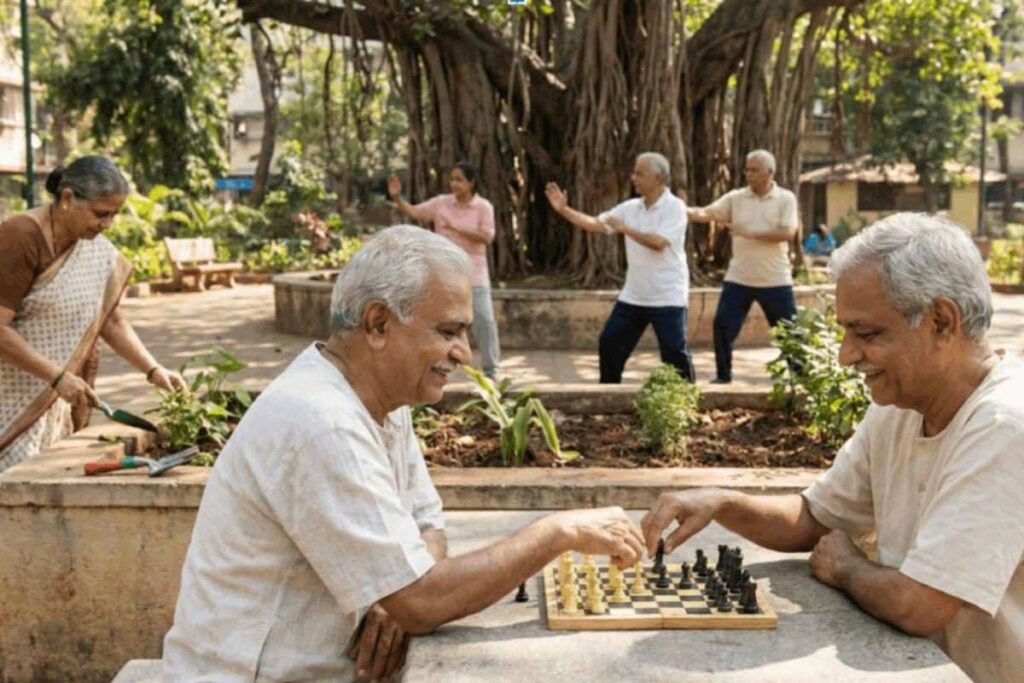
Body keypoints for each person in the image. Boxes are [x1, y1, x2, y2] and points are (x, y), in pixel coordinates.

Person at [162, 225, 644, 682]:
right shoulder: (321, 422)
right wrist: (556, 532)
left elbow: (426, 524)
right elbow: (421, 601)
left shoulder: (382, 400)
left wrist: (394, 592)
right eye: (449, 331)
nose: (464, 353)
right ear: (378, 324)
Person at [641, 213, 1023, 683]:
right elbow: (815, 518)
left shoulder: (1006, 423)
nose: (846, 355)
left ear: (941, 321)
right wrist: (721, 502)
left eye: (867, 333)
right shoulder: (901, 405)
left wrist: (846, 567)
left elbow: (920, 604)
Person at [0, 156, 186, 472]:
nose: (107, 224)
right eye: (101, 214)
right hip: (10, 394)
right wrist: (57, 376)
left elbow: (110, 319)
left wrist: (153, 370)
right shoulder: (20, 237)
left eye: (114, 214)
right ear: (67, 198)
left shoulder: (92, 248)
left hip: (53, 397)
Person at [545, 152, 694, 383]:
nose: (633, 178)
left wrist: (625, 229)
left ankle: (687, 397)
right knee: (610, 343)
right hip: (634, 295)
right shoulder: (630, 207)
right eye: (634, 172)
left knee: (675, 353)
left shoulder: (675, 208)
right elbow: (595, 223)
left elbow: (659, 243)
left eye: (639, 174)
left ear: (657, 178)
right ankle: (608, 393)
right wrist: (564, 210)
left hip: (668, 295)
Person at [688, 149, 799, 384]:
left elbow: (788, 233)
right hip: (739, 278)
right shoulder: (735, 198)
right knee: (722, 326)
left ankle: (801, 379)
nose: (749, 174)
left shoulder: (786, 198)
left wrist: (748, 232)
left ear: (769, 172)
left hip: (775, 279)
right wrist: (677, 208)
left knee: (790, 333)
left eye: (754, 170)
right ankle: (723, 376)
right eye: (747, 169)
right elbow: (705, 213)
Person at [387, 162, 501, 380]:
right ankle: (437, 367)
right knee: (438, 321)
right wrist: (397, 198)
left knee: (484, 320)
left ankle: (491, 371)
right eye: (452, 179)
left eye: (459, 180)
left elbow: (487, 237)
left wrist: (455, 227)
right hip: (444, 274)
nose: (454, 184)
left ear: (471, 183)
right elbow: (415, 212)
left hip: (474, 273)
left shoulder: (483, 207)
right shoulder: (441, 203)